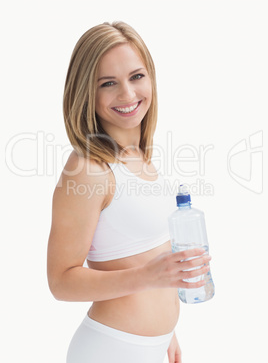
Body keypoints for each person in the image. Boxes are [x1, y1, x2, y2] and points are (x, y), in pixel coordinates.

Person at [47, 21, 211, 363]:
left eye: (136, 76)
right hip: (112, 349)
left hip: (151, 348)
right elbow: (60, 282)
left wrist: (167, 331)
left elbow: (138, 250)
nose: (127, 94)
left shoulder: (139, 155)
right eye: (108, 83)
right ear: (86, 93)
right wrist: (149, 277)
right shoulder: (89, 169)